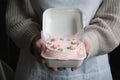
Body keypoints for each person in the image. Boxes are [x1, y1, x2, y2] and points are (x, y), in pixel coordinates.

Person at [6, 0, 120, 80]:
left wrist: (90, 42)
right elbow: (17, 18)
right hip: (35, 69)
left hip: (92, 70)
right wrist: (33, 39)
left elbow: (113, 21)